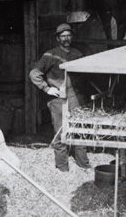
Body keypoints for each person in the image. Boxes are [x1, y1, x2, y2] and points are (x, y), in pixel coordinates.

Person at [29, 23, 91, 172]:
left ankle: (83, 162)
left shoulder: (77, 53)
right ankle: (62, 165)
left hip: (75, 96)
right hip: (58, 98)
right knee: (60, 130)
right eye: (63, 36)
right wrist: (47, 88)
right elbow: (34, 74)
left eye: (68, 35)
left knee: (80, 127)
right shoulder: (50, 55)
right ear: (58, 38)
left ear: (72, 37)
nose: (66, 38)